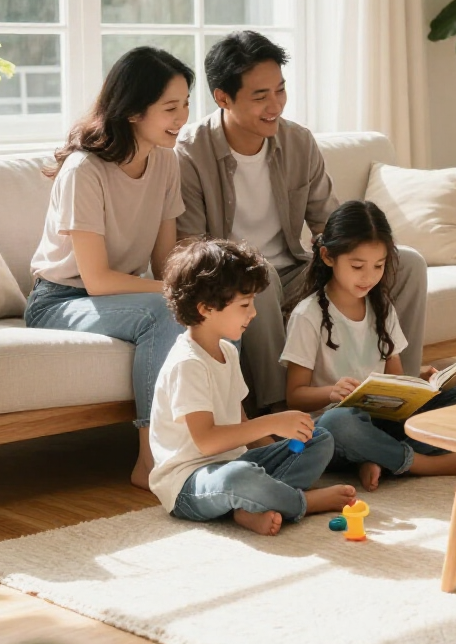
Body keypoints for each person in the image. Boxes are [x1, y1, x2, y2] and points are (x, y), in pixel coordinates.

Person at [175, 31, 428, 415]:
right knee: (256, 278)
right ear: (222, 97)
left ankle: (401, 397)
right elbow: (193, 250)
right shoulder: (190, 152)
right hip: (235, 279)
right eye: (260, 96)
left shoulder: (298, 142)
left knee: (407, 261)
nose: (275, 105)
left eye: (280, 90)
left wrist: (355, 254)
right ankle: (279, 411)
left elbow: (330, 222)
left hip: (297, 269)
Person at [26, 47, 192, 489]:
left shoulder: (166, 161)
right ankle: (149, 459)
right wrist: (173, 295)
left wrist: (197, 294)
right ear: (135, 110)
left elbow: (164, 261)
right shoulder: (86, 170)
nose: (183, 116)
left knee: (218, 305)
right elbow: (96, 280)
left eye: (186, 104)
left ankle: (229, 432)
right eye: (171, 107)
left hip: (123, 291)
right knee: (162, 312)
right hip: (61, 298)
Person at [149, 238, 356, 536]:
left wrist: (283, 451)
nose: (254, 313)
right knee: (241, 476)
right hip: (190, 482)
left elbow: (241, 423)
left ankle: (251, 506)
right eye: (245, 305)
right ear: (206, 308)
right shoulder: (188, 363)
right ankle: (301, 503)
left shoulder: (227, 351)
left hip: (234, 462)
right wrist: (272, 422)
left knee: (318, 438)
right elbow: (206, 442)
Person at [282, 200, 456, 492]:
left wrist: (420, 386)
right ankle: (418, 463)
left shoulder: (382, 307)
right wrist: (332, 391)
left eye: (378, 266)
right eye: (357, 266)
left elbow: (396, 380)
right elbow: (294, 397)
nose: (369, 276)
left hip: (382, 424)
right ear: (328, 257)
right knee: (341, 421)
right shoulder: (308, 315)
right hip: (333, 432)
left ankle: (374, 457)